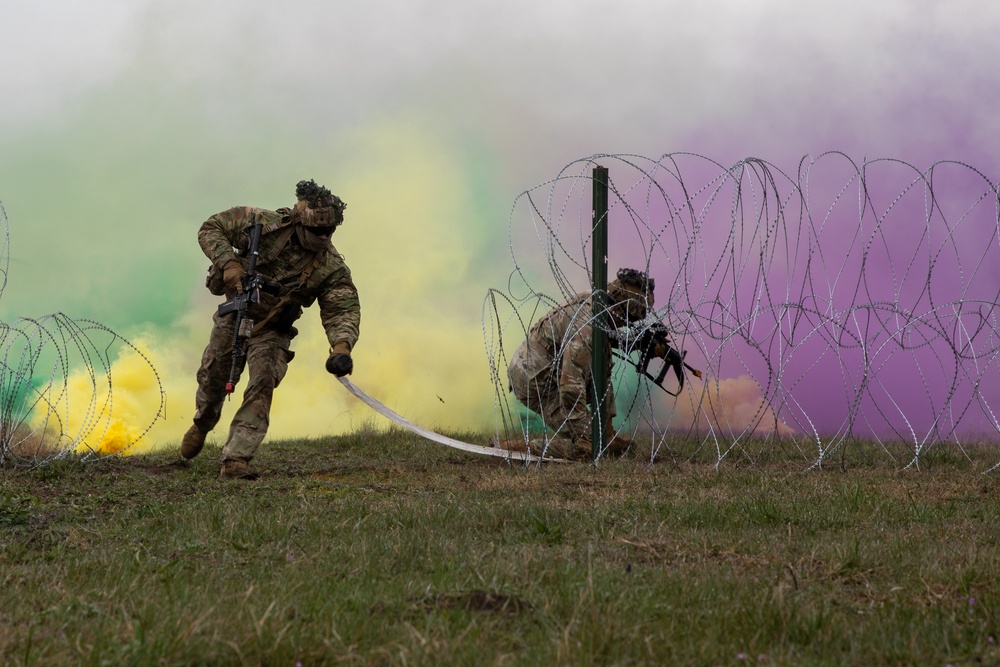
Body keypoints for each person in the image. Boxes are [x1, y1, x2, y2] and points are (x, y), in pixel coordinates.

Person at [180, 179, 361, 479]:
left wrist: (341, 348)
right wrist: (228, 264)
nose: (323, 236)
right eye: (316, 231)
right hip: (236, 313)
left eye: (329, 232)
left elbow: (342, 307)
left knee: (263, 381)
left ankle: (236, 458)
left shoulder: (331, 267)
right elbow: (211, 227)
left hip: (274, 329)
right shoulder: (261, 224)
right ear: (300, 222)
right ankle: (203, 423)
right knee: (214, 378)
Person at [502, 268, 654, 460]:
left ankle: (606, 433)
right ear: (618, 310)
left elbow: (609, 334)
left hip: (549, 369)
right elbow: (570, 389)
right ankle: (514, 450)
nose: (626, 325)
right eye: (628, 320)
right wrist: (585, 434)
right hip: (536, 381)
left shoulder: (598, 305)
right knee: (594, 448)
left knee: (602, 363)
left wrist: (641, 343)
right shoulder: (586, 330)